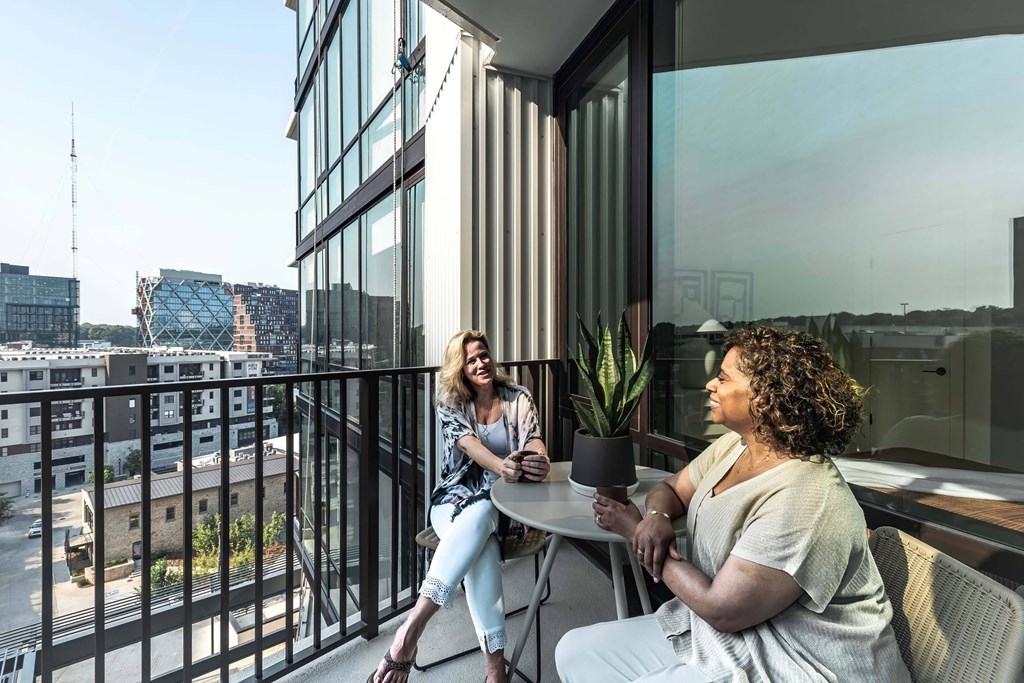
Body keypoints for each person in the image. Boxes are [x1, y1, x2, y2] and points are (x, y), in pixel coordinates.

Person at [556, 326, 912, 682]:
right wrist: (655, 516)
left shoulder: (806, 496)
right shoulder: (737, 446)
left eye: (724, 379)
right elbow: (672, 489)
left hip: (804, 659)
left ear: (765, 399)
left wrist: (635, 531)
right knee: (574, 650)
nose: (711, 384)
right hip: (735, 635)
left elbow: (723, 609)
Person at [370, 330, 550, 683]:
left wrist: (541, 459)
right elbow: (468, 446)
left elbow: (534, 439)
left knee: (484, 515)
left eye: (484, 355)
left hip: (504, 504)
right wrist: (503, 468)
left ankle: (409, 631)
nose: (480, 363)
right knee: (480, 534)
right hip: (451, 499)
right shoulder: (450, 402)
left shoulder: (518, 397)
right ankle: (495, 669)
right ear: (461, 368)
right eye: (471, 360)